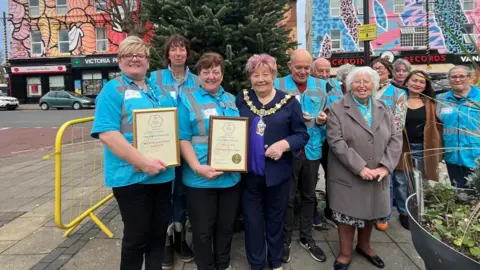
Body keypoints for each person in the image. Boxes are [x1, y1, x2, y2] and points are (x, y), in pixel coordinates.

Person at [91, 36, 176, 270]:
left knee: (158, 235)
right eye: (129, 54)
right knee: (136, 238)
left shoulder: (159, 91)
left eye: (140, 55)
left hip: (162, 174)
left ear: (148, 61)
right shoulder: (112, 90)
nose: (135, 59)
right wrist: (143, 162)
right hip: (130, 178)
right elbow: (107, 133)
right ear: (119, 61)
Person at [237, 54, 309, 270]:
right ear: (250, 78)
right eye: (255, 75)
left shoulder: (289, 102)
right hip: (249, 174)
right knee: (252, 222)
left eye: (265, 75)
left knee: (276, 220)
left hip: (278, 174)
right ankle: (257, 263)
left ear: (274, 76)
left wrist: (283, 145)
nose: (261, 80)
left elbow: (301, 134)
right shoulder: (241, 99)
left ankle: (275, 261)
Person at [327, 66, 402, 270]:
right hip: (348, 172)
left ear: (374, 85)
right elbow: (336, 142)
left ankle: (364, 246)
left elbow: (396, 138)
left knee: (371, 212)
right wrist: (360, 167)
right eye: (357, 81)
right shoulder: (337, 108)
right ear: (350, 85)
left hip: (378, 172)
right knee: (347, 215)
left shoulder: (384, 108)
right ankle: (345, 253)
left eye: (366, 81)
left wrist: (385, 167)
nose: (362, 85)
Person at [178, 52, 241, 270]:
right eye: (206, 72)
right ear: (199, 75)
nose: (211, 76)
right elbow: (182, 138)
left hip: (229, 178)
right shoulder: (187, 99)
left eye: (216, 71)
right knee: (202, 230)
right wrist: (197, 167)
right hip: (199, 179)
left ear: (222, 74)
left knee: (225, 228)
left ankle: (223, 265)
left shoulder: (231, 99)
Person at [274, 49, 328, 263]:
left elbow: (330, 109)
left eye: (307, 67)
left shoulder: (321, 86)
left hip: (313, 148)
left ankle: (307, 237)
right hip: (289, 150)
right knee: (287, 197)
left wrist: (325, 118)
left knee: (309, 195)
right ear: (289, 66)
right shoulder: (278, 85)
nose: (303, 71)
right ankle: (285, 240)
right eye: (299, 67)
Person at [150, 34, 196, 269]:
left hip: (186, 148)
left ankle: (179, 240)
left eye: (182, 49)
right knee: (163, 195)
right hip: (161, 147)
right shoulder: (154, 78)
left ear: (188, 54)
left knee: (180, 193)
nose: (178, 54)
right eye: (173, 49)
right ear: (167, 53)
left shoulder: (197, 81)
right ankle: (165, 244)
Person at [395, 70, 443, 230]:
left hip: (423, 148)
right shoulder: (399, 100)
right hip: (402, 148)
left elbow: (438, 126)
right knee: (401, 182)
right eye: (414, 80)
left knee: (421, 182)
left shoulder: (430, 103)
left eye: (421, 82)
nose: (417, 84)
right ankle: (404, 212)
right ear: (407, 81)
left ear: (425, 85)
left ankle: (418, 211)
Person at [371, 58, 408, 231]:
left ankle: (384, 215)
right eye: (374, 68)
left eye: (381, 68)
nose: (378, 70)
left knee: (388, 180)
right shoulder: (366, 89)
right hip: (366, 143)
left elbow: (399, 122)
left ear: (388, 70)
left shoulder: (398, 93)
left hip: (386, 141)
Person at [310, 58, 345, 229]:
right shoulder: (308, 86)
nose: (324, 75)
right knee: (310, 178)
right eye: (320, 71)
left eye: (327, 71)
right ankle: (313, 213)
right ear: (312, 70)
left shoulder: (335, 86)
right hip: (312, 140)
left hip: (331, 140)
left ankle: (332, 211)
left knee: (333, 176)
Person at [436, 66, 480, 188]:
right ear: (449, 80)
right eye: (453, 77)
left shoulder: (478, 97)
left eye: (462, 76)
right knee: (460, 195)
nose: (457, 79)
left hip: (476, 157)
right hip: (453, 157)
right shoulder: (440, 99)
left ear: (470, 78)